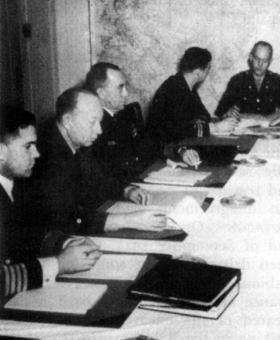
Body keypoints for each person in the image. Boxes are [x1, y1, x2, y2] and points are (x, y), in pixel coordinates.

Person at [22, 87, 166, 235]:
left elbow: (98, 179)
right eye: (92, 122)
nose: (99, 130)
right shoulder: (46, 158)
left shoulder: (77, 145)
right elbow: (65, 218)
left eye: (100, 121)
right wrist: (127, 220)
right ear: (68, 121)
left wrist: (126, 190)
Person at [0, 105, 101, 297]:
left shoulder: (17, 184)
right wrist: (59, 264)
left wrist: (67, 243)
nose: (36, 154)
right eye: (28, 146)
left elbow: (27, 235)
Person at [146, 47, 238, 166]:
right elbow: (177, 131)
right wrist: (215, 128)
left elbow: (204, 115)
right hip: (164, 152)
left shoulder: (186, 86)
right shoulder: (172, 90)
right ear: (199, 72)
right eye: (207, 68)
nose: (208, 71)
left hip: (182, 145)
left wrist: (200, 126)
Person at [84, 62, 146, 180]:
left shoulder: (122, 115)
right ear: (102, 93)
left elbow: (142, 147)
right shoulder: (92, 126)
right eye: (120, 87)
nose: (125, 94)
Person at [214, 41, 280, 124]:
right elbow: (221, 111)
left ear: (270, 61)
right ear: (251, 57)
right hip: (242, 132)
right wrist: (227, 113)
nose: (260, 64)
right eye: (256, 59)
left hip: (268, 132)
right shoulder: (237, 80)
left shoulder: (278, 81)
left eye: (265, 60)